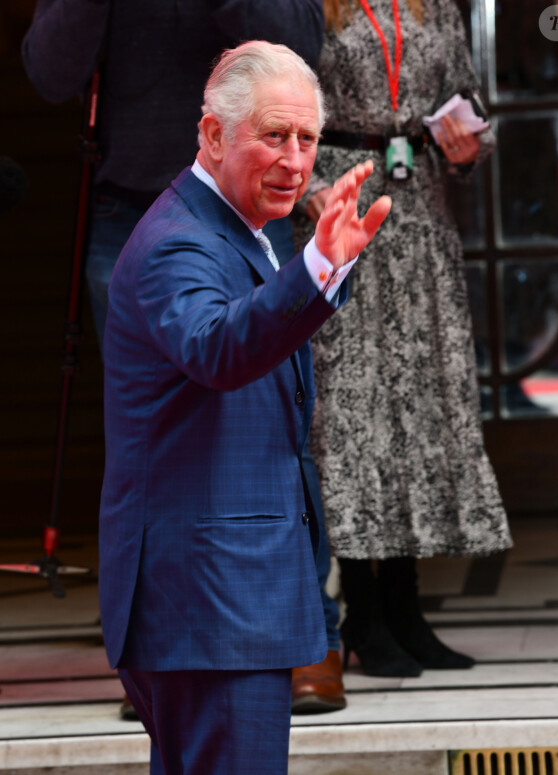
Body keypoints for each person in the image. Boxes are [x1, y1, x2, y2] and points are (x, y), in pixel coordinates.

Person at [21, 0, 345, 715]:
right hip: (130, 202)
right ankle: (170, 646)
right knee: (150, 438)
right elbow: (49, 72)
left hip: (246, 198)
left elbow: (299, 41)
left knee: (271, 423)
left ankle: (309, 635)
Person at [98, 40, 390, 774]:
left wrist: (320, 266)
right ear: (211, 134)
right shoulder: (178, 243)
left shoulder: (236, 227)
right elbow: (219, 347)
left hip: (221, 604)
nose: (295, 161)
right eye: (274, 135)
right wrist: (319, 268)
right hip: (210, 606)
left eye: (307, 139)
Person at [292, 0, 513, 678]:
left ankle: (406, 607)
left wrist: (470, 144)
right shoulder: (307, 7)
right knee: (354, 418)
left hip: (421, 216)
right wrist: (310, 193)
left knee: (417, 413)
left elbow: (467, 100)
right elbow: (280, 113)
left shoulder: (437, 5)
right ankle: (362, 610)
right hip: (341, 209)